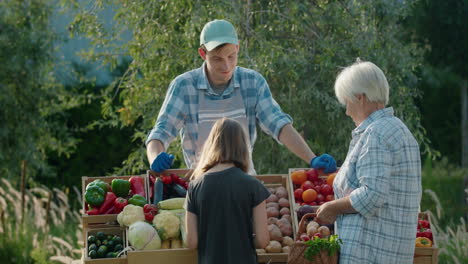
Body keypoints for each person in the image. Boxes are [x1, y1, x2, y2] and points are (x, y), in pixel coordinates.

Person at [145, 19, 336, 175]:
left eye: (231, 56)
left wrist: (311, 158)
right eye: (217, 59)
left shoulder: (252, 82)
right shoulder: (184, 86)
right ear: (203, 53)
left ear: (238, 48)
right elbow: (161, 132)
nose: (226, 66)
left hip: (245, 180)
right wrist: (155, 157)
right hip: (201, 184)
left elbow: (279, 125)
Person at [315, 60, 422, 263]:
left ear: (360, 97)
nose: (346, 110)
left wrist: (333, 207)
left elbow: (373, 193)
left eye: (347, 101)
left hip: (369, 252)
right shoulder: (399, 131)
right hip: (392, 251)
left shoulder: (376, 134)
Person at [184, 117, 270, 264]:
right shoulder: (253, 186)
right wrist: (244, 242)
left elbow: (191, 242)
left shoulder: (194, 186)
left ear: (211, 145)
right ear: (242, 147)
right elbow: (262, 241)